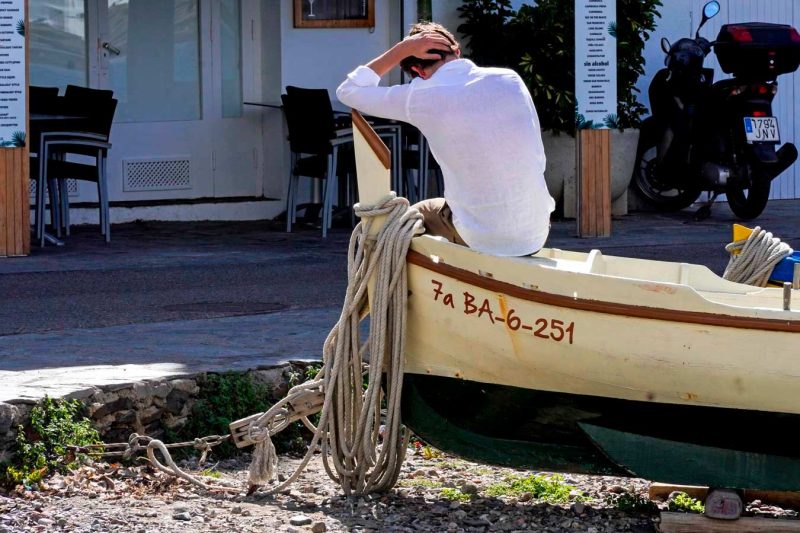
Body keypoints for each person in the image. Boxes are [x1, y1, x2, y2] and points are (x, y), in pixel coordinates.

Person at [336, 22, 554, 257]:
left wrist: (402, 49)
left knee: (407, 220)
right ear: (457, 52)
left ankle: (391, 279)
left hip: (481, 237)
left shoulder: (418, 95)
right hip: (536, 230)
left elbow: (348, 91)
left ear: (418, 71)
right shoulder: (510, 79)